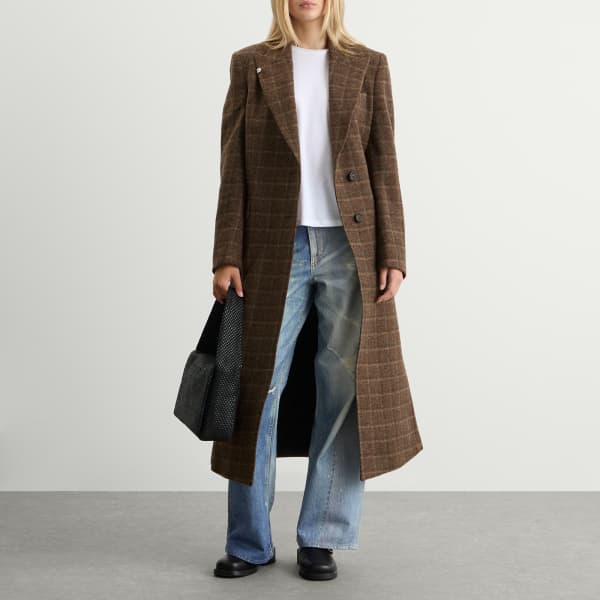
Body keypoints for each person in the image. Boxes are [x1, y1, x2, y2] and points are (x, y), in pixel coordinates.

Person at [211, 0, 423, 581]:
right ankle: (248, 541)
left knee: (344, 389)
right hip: (271, 245)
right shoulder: (250, 63)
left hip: (351, 245)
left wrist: (393, 252)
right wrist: (227, 252)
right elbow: (233, 165)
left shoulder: (368, 65)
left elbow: (384, 161)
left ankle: (322, 536)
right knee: (255, 388)